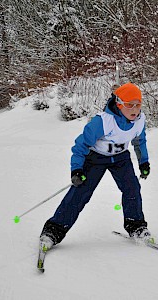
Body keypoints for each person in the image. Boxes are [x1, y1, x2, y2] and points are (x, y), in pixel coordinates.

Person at [39, 82, 151, 250]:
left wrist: (144, 162)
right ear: (119, 104)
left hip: (120, 158)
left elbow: (139, 141)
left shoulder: (139, 120)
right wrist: (76, 169)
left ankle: (136, 227)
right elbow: (80, 145)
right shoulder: (102, 122)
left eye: (138, 104)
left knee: (132, 188)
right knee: (81, 192)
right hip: (96, 158)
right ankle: (53, 231)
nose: (135, 109)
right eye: (130, 105)